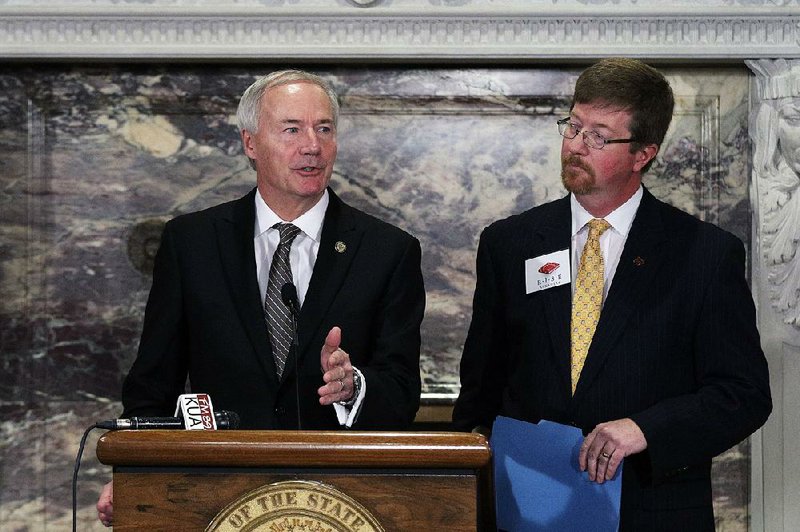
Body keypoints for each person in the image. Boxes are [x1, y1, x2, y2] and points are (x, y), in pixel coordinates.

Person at [452, 58, 771, 530]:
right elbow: (480, 393)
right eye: (573, 126)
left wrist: (645, 429)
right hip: (528, 508)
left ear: (643, 153)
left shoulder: (704, 255)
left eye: (598, 136)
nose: (576, 146)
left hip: (650, 510)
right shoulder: (510, 242)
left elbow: (742, 395)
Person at [96, 69, 425, 526]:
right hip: (216, 496)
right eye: (291, 129)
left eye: (324, 129)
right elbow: (153, 383)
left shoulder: (388, 250)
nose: (311, 145)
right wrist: (131, 471)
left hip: (342, 502)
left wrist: (353, 386)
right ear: (250, 143)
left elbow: (404, 388)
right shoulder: (192, 243)